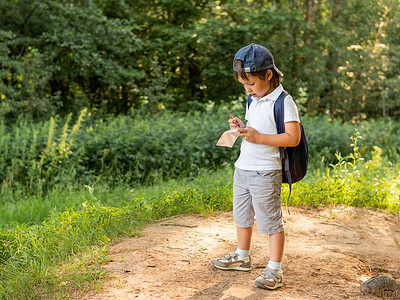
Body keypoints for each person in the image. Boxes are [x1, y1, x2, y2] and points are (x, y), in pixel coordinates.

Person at [211, 43, 301, 290]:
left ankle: (274, 269)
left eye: (251, 84)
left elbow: (293, 138)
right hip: (243, 168)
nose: (248, 89)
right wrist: (242, 127)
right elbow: (256, 128)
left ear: (268, 75)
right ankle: (242, 256)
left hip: (265, 170)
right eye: (244, 85)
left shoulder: (284, 101)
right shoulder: (254, 100)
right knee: (241, 216)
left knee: (271, 221)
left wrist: (259, 137)